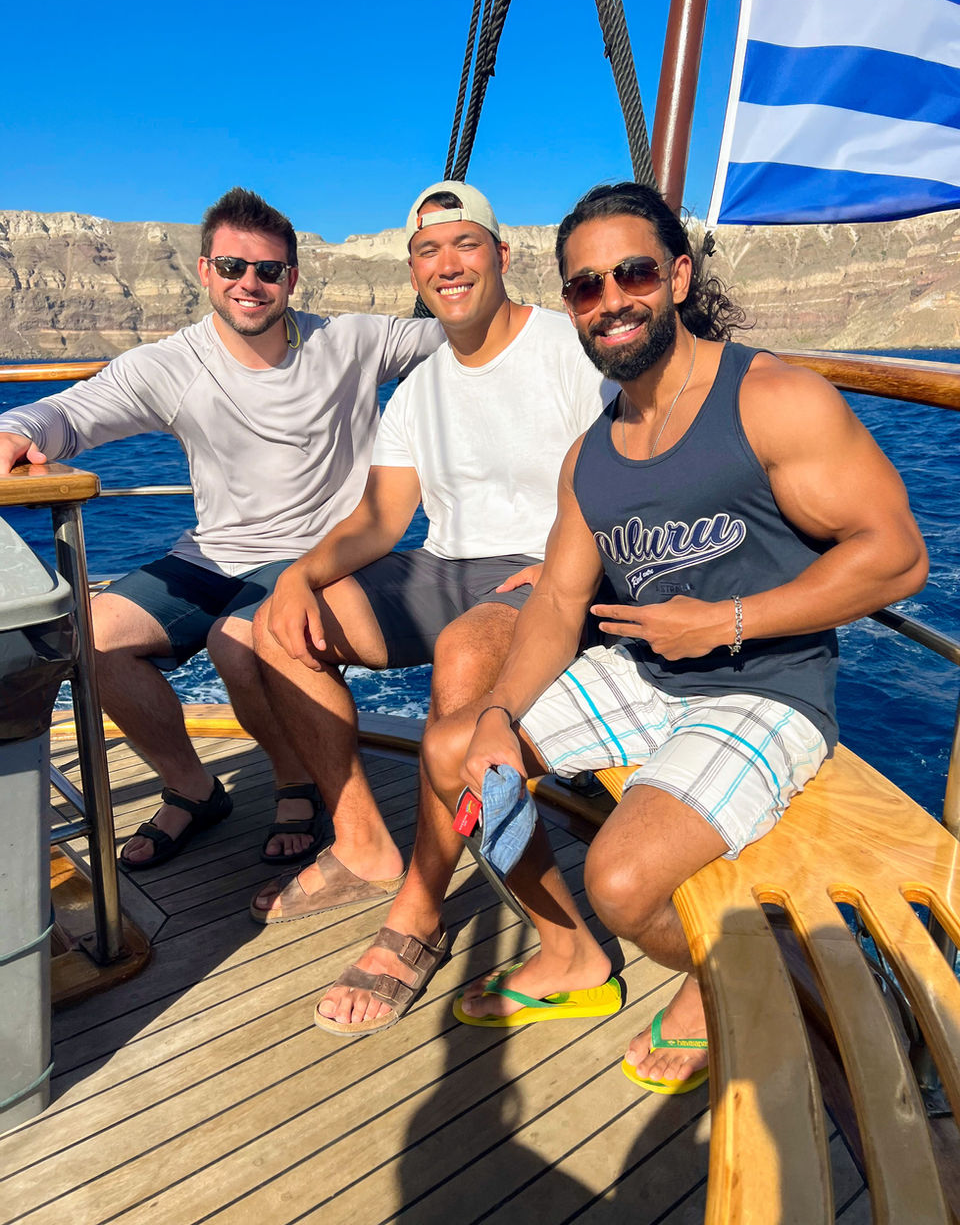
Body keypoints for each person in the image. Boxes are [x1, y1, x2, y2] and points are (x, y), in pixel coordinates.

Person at [422, 181, 928, 1090]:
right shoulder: (595, 453)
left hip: (766, 689)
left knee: (623, 883)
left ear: (680, 277)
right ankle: (570, 954)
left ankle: (729, 971)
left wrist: (726, 622)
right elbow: (554, 606)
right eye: (585, 286)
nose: (610, 299)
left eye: (633, 273)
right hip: (646, 675)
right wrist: (500, 712)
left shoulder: (772, 398)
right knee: (459, 748)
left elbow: (895, 558)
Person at [249, 180, 612, 1035]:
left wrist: (571, 562)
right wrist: (300, 577)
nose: (447, 264)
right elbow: (381, 518)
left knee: (462, 655)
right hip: (446, 564)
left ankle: (417, 911)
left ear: (500, 254)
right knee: (274, 624)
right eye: (427, 251)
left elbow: (626, 462)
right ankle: (365, 840)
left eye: (465, 244)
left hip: (549, 569)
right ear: (413, 270)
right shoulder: (420, 387)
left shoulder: (568, 348)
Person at [0, 187, 442, 870]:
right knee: (89, 635)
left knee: (239, 642)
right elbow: (72, 412)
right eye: (232, 267)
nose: (250, 283)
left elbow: (465, 334)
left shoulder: (350, 341)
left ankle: (296, 784)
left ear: (292, 278)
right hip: (211, 554)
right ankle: (194, 788)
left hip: (315, 555)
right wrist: (14, 428)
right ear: (204, 270)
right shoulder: (172, 363)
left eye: (268, 270)